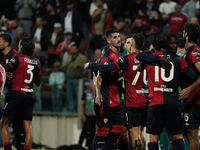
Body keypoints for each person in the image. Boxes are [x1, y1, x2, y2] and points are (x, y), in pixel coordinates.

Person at [136, 31, 200, 150]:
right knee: (178, 135)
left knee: (154, 137)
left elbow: (139, 65)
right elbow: (193, 76)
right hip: (173, 102)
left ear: (153, 44)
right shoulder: (178, 59)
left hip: (155, 102)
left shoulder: (148, 60)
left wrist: (152, 54)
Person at [0, 37, 42, 150]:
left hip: (18, 93)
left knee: (3, 123)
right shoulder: (37, 62)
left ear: (21, 47)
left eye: (19, 44)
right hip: (30, 95)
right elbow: (38, 83)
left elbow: (4, 68)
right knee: (28, 128)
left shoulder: (18, 58)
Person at [90, 28, 124, 150]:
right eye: (115, 37)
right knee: (102, 130)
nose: (118, 39)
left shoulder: (120, 55)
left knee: (119, 128)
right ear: (109, 40)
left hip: (117, 99)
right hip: (106, 99)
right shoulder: (106, 57)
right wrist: (98, 94)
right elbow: (99, 78)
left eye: (119, 36)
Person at [0, 34, 26, 150]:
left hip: (17, 93)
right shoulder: (1, 56)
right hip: (7, 94)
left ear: (6, 44)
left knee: (16, 124)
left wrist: (12, 73)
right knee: (7, 123)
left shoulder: (15, 55)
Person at [182, 23, 200, 150]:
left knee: (192, 135)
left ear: (186, 34)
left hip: (195, 99)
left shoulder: (193, 52)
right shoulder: (190, 51)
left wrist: (190, 88)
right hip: (191, 100)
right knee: (189, 134)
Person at [62, 43, 87, 112]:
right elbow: (66, 65)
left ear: (77, 50)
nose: (73, 50)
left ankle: (79, 110)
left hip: (77, 79)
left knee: (78, 95)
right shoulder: (69, 57)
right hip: (69, 78)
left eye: (74, 49)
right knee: (69, 95)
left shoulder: (82, 58)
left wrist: (78, 65)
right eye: (72, 49)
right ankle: (72, 110)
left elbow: (85, 66)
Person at [79, 80, 96, 150]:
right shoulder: (86, 93)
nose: (93, 87)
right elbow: (81, 104)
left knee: (93, 132)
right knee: (84, 131)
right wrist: (83, 114)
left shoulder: (99, 93)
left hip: (95, 116)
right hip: (88, 116)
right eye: (92, 85)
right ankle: (79, 145)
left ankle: (90, 146)